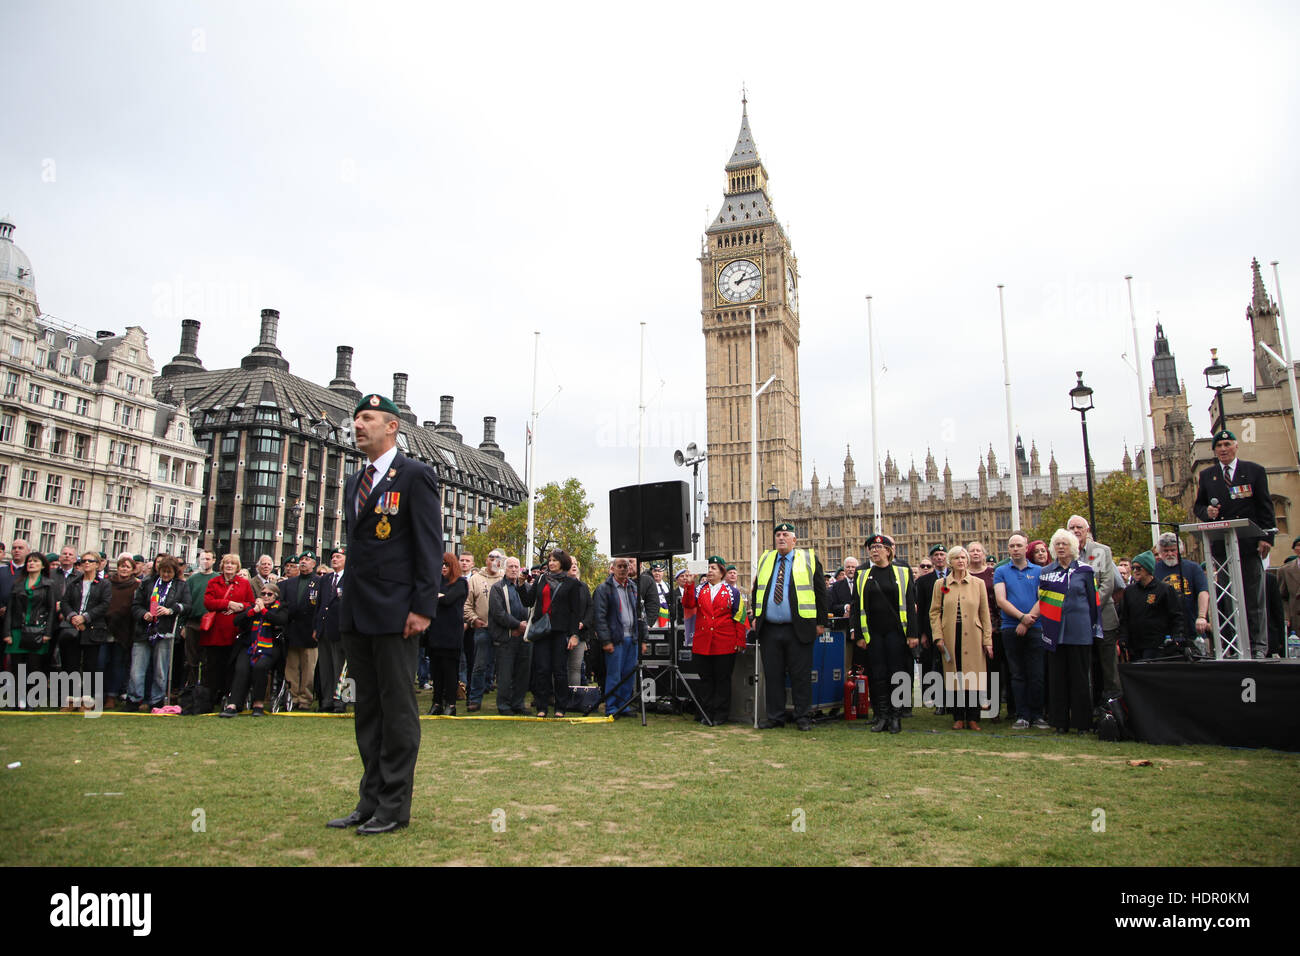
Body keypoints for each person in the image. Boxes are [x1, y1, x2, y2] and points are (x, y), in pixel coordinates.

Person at [328, 393, 442, 836]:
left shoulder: (415, 475)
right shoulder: (357, 480)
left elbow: (429, 546)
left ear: (392, 426)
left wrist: (422, 608)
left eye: (368, 418)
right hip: (357, 615)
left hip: (397, 615)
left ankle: (394, 806)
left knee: (397, 713)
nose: (358, 425)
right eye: (356, 418)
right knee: (367, 711)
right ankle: (369, 801)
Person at [1193, 429, 1276, 658]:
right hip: (1222, 547)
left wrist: (1267, 537)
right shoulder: (1208, 476)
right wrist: (1206, 512)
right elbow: (1198, 507)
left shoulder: (1254, 471)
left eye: (1227, 445)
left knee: (1254, 599)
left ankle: (1258, 647)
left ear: (1235, 446)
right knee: (1228, 599)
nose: (1223, 449)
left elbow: (1265, 506)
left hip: (1249, 545)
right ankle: (1232, 646)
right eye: (1218, 446)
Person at [749, 522, 828, 731]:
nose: (781, 538)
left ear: (794, 540)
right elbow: (758, 590)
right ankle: (776, 717)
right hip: (770, 628)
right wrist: (757, 615)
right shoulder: (766, 559)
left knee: (800, 675)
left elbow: (821, 592)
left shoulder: (808, 559)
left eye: (785, 534)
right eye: (778, 535)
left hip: (798, 627)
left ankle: (803, 716)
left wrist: (821, 622)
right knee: (773, 675)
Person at [850, 534, 917, 734]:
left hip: (896, 632)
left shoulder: (903, 572)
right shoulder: (862, 574)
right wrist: (860, 634)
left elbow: (911, 605)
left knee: (896, 673)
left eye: (878, 547)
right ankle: (881, 715)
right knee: (877, 674)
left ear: (888, 550)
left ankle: (896, 716)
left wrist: (913, 633)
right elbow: (856, 606)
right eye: (871, 548)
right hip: (873, 633)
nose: (874, 550)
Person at [1036, 529, 1099, 733]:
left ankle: (1082, 723)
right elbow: (1042, 601)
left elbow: (1094, 602)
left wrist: (1094, 629)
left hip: (1079, 631)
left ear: (1073, 547)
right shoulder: (1046, 572)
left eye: (1065, 544)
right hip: (1055, 631)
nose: (1061, 547)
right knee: (1057, 678)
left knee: (1080, 678)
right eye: (1057, 544)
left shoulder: (1085, 571)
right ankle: (1059, 722)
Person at [929, 545, 993, 729]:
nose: (961, 561)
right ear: (951, 562)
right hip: (950, 635)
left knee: (973, 677)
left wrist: (987, 640)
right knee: (954, 676)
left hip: (973, 635)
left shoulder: (977, 584)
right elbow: (934, 613)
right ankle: (958, 717)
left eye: (964, 558)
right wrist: (938, 636)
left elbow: (984, 614)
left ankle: (973, 717)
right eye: (957, 558)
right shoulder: (941, 585)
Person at [680, 556, 744, 725]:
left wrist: (739, 640)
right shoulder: (700, 589)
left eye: (713, 568)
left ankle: (721, 715)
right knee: (705, 679)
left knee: (722, 680)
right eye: (708, 568)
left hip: (724, 642)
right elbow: (688, 604)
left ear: (722, 572)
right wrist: (689, 584)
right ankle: (706, 713)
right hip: (703, 642)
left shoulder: (733, 592)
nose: (709, 571)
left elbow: (739, 617)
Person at [993, 533, 1048, 730]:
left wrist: (1027, 620)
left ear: (1026, 548)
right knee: (1017, 673)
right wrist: (1020, 617)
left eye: (1019, 545)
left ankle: (1037, 714)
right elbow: (1001, 600)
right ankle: (1022, 715)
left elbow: (1044, 598)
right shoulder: (1001, 571)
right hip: (1010, 627)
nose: (1015, 549)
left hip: (1035, 626)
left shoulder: (1040, 571)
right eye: (1011, 546)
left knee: (1037, 673)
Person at [1066, 515, 1122, 703]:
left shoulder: (1099, 551)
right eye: (1072, 527)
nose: (1076, 530)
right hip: (1078, 622)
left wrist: (1089, 607)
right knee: (1085, 666)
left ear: (1087, 530)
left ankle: (1113, 707)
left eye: (1079, 527)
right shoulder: (1065, 554)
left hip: (1103, 618)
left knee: (1108, 667)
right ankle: (1088, 706)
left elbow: (1107, 583)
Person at [526, 548, 581, 718]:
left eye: (555, 560)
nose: (551, 563)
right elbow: (528, 600)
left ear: (562, 563)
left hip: (560, 631)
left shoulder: (571, 583)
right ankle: (541, 706)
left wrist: (574, 634)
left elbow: (575, 611)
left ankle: (561, 706)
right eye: (549, 560)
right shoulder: (542, 579)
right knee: (542, 669)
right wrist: (521, 584)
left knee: (559, 671)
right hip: (542, 630)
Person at [128, 555, 188, 711]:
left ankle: (157, 700)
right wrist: (144, 614)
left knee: (161, 669)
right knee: (137, 668)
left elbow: (188, 606)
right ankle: (134, 699)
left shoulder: (181, 586)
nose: (166, 575)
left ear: (175, 572)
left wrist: (171, 610)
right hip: (144, 630)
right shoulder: (147, 583)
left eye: (169, 572)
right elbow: (135, 605)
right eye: (163, 571)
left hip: (165, 631)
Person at [220, 580, 288, 717]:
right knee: (241, 668)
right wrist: (252, 612)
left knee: (260, 667)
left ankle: (258, 704)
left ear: (276, 596)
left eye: (270, 594)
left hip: (270, 646)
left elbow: (279, 620)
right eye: (263, 593)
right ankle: (234, 704)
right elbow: (237, 621)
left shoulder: (281, 608)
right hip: (250, 645)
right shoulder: (252, 607)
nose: (266, 596)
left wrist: (263, 610)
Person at [593, 557, 647, 717]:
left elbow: (641, 615)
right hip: (615, 640)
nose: (623, 569)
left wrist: (643, 639)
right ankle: (611, 707)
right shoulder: (604, 589)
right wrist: (605, 640)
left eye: (626, 566)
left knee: (628, 675)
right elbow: (599, 617)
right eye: (620, 566)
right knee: (614, 675)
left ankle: (624, 706)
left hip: (632, 639)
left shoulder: (633, 587)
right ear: (613, 568)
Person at [5, 551, 57, 695]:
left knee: (34, 666)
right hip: (17, 629)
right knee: (16, 667)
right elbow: (10, 609)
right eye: (29, 561)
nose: (31, 564)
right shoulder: (18, 584)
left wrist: (47, 632)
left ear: (42, 566)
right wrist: (7, 633)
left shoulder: (48, 584)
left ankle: (31, 698)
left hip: (38, 630)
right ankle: (16, 698)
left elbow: (51, 609)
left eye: (35, 561)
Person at [59, 551, 112, 691]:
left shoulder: (104, 584)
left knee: (90, 666)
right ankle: (70, 698)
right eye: (83, 561)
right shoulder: (74, 583)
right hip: (73, 628)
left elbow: (105, 605)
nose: (86, 563)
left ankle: (88, 699)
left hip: (93, 629)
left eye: (90, 561)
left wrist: (85, 617)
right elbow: (65, 602)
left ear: (98, 564)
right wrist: (73, 617)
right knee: (71, 664)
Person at [1118, 552, 1184, 660]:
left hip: (1158, 646)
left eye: (1139, 568)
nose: (1135, 571)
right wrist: (1123, 638)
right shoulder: (1129, 591)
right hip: (1135, 646)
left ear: (1148, 569)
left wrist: (1176, 637)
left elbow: (1176, 615)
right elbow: (1124, 617)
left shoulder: (1165, 590)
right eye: (1133, 568)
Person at [425, 553, 468, 716]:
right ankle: (436, 702)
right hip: (435, 633)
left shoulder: (460, 583)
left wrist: (438, 597)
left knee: (450, 671)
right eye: (441, 564)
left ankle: (451, 703)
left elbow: (449, 600)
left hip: (451, 635)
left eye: (447, 564)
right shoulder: (436, 583)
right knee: (436, 672)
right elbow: (428, 597)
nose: (443, 567)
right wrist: (438, 597)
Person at [490, 556, 534, 715]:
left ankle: (518, 704)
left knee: (523, 674)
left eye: (517, 567)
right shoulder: (497, 588)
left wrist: (526, 627)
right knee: (505, 674)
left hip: (525, 638)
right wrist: (516, 625)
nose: (514, 569)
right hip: (507, 637)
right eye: (511, 567)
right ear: (505, 568)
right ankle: (504, 705)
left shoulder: (527, 588)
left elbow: (533, 609)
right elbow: (498, 613)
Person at [463, 550, 505, 712]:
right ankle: (474, 699)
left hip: (502, 630)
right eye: (491, 558)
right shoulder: (475, 580)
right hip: (483, 628)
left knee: (503, 667)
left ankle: (504, 700)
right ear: (486, 561)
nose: (494, 561)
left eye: (497, 558)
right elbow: (466, 604)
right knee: (479, 665)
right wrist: (473, 619)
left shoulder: (505, 579)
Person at [1151, 532, 1210, 645]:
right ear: (1160, 552)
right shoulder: (1154, 570)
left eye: (1173, 550)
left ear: (1180, 550)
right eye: (1165, 551)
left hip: (1191, 626)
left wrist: (1202, 616)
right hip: (1164, 629)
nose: (1170, 553)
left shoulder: (1193, 568)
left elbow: (1203, 592)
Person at [279, 552, 320, 710]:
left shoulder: (319, 582)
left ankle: (305, 699)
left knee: (308, 668)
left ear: (313, 564)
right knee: (291, 668)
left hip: (309, 632)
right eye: (302, 560)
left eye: (307, 560)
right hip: (292, 631)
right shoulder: (287, 584)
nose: (303, 562)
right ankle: (293, 697)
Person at [915, 545, 948, 714]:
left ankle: (954, 701)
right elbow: (920, 610)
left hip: (953, 627)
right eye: (936, 555)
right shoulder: (923, 581)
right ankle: (940, 701)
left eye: (942, 554)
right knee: (936, 665)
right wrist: (921, 633)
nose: (939, 557)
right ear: (932, 558)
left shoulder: (956, 576)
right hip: (931, 630)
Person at [314, 549, 348, 712]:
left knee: (343, 668)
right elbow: (320, 605)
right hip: (325, 630)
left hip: (343, 630)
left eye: (338, 557)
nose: (334, 559)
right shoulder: (326, 579)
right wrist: (316, 627)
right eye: (333, 557)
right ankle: (327, 700)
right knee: (326, 667)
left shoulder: (351, 578)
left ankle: (343, 700)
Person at [105, 555, 140, 709]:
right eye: (122, 566)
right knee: (101, 663)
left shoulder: (137, 586)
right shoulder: (107, 584)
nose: (124, 569)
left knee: (117, 664)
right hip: (105, 629)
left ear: (133, 570)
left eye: (127, 567)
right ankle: (99, 694)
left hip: (124, 630)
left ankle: (112, 695)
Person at [183, 550, 216, 687]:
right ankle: (191, 688)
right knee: (191, 659)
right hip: (193, 622)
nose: (205, 561)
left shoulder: (217, 579)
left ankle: (205, 689)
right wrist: (183, 625)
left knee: (207, 659)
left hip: (210, 623)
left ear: (213, 560)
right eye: (203, 559)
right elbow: (186, 603)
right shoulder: (192, 580)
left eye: (208, 559)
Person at [567, 560, 595, 687]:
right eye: (570, 563)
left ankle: (574, 698)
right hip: (564, 632)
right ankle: (560, 698)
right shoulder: (559, 585)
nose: (574, 565)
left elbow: (590, 607)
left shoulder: (583, 587)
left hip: (580, 633)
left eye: (575, 564)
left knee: (575, 667)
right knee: (560, 667)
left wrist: (584, 623)